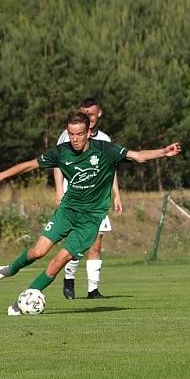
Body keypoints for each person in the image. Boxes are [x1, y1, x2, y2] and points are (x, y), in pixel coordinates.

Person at [0, 111, 181, 316]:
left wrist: (163, 151)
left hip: (90, 220)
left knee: (59, 260)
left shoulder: (105, 150)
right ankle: (11, 269)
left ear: (88, 132)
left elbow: (138, 156)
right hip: (67, 211)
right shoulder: (62, 152)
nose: (75, 139)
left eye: (79, 134)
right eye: (71, 134)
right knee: (38, 251)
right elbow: (30, 165)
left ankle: (25, 300)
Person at [53, 98, 122, 300]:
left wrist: (117, 194)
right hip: (75, 196)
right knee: (77, 244)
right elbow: (57, 163)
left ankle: (93, 289)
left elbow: (110, 169)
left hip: (98, 198)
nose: (89, 118)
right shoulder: (68, 136)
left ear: (99, 114)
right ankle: (69, 278)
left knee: (96, 241)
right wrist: (59, 190)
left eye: (92, 114)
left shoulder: (105, 140)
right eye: (85, 114)